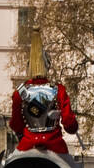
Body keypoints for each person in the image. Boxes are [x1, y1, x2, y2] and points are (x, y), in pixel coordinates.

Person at [10, 27, 79, 156]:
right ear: (48, 65)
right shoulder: (59, 90)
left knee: (5, 167)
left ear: (28, 66)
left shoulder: (19, 93)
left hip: (27, 146)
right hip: (55, 146)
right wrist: (73, 127)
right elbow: (69, 123)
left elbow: (15, 124)